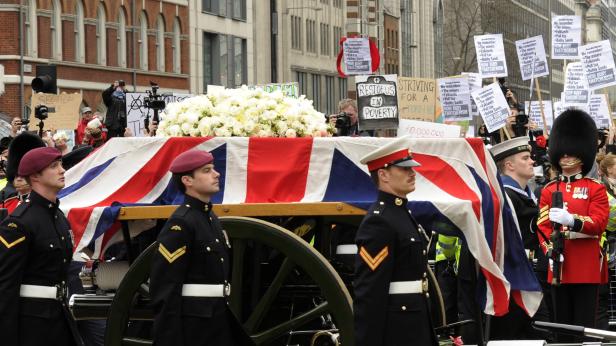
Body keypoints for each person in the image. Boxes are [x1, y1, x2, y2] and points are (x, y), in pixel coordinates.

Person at [149, 149, 252, 346]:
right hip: (194, 326)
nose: (216, 174)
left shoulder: (210, 218)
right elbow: (166, 288)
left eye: (213, 169)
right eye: (206, 170)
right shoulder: (180, 224)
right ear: (187, 180)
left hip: (217, 318)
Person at [354, 137, 437, 346]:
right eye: (404, 169)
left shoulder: (400, 213)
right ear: (383, 174)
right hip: (397, 329)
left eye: (412, 168)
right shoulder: (379, 220)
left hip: (414, 322)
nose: (413, 173)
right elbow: (371, 291)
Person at [537, 109, 609, 342]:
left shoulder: (595, 188)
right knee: (561, 327)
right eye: (563, 152)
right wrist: (549, 251)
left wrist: (573, 221)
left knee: (584, 326)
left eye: (571, 152)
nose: (566, 156)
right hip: (559, 263)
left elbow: (598, 223)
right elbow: (543, 227)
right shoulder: (549, 189)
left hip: (585, 263)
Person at [0, 147, 82, 345]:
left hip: (60, 317)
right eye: (54, 166)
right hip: (32, 326)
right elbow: (5, 288)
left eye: (61, 165)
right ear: (35, 176)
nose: (62, 170)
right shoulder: (20, 223)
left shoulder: (59, 218)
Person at [488, 136, 551, 340]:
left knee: (538, 335)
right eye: (525, 158)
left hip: (530, 276)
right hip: (514, 280)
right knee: (518, 336)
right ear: (509, 165)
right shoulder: (506, 197)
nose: (532, 161)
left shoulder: (525, 195)